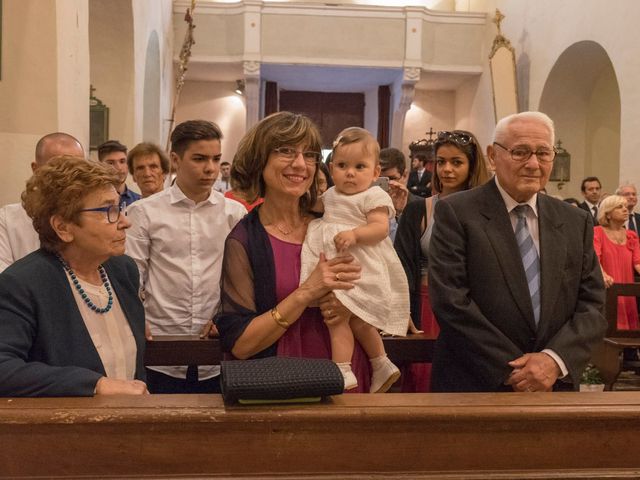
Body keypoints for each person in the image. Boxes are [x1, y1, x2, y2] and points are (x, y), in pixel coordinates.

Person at [428, 111, 606, 392]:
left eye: (543, 153)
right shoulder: (456, 213)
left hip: (553, 386)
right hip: (475, 383)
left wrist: (552, 361)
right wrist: (518, 371)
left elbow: (592, 304)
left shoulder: (575, 221)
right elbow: (451, 302)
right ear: (492, 155)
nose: (533, 164)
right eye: (520, 152)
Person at [215, 112, 371, 392]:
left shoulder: (336, 221)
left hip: (347, 371)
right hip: (284, 382)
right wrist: (305, 293)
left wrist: (365, 303)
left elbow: (372, 283)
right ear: (259, 159)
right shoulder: (244, 240)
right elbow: (241, 344)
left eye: (309, 154)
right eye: (285, 151)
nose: (300, 164)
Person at [0, 156, 148, 397]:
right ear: (63, 227)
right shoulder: (23, 283)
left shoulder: (122, 269)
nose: (125, 222)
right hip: (64, 430)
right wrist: (95, 384)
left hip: (128, 424)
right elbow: (3, 368)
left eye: (119, 207)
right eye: (109, 210)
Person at [126, 120, 247, 394]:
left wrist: (227, 317)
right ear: (175, 159)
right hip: (160, 342)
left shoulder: (235, 213)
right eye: (199, 159)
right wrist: (137, 320)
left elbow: (241, 281)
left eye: (216, 159)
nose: (210, 168)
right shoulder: (144, 212)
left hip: (218, 343)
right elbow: (132, 277)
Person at [300, 127, 409, 392]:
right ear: (331, 168)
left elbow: (380, 228)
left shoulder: (373, 196)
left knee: (336, 317)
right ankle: (381, 362)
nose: (350, 172)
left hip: (359, 265)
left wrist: (355, 234)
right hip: (339, 264)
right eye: (342, 165)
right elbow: (309, 206)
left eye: (360, 166)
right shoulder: (331, 196)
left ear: (375, 173)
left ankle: (342, 369)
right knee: (358, 319)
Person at [394, 130, 491, 392]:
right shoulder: (419, 209)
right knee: (422, 379)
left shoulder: (488, 213)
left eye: (456, 162)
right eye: (441, 162)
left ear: (472, 166)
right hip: (427, 304)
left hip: (472, 307)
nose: (447, 169)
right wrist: (402, 311)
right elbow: (401, 264)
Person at [0, 132, 84, 272]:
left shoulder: (92, 216)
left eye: (77, 169)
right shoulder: (7, 219)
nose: (68, 178)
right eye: (58, 168)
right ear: (36, 169)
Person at [593, 195, 640, 329]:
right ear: (607, 214)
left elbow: (638, 263)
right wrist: (603, 274)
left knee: (630, 334)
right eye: (620, 207)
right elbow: (594, 258)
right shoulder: (597, 232)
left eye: (625, 207)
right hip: (608, 287)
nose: (625, 210)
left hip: (627, 288)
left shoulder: (631, 235)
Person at [379, 147, 421, 243]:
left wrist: (400, 213)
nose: (387, 186)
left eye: (391, 178)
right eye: (380, 180)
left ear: (405, 175)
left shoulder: (420, 206)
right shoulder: (367, 204)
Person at [97, 140, 141, 206]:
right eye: (111, 163)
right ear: (100, 165)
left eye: (122, 161)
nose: (119, 168)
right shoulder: (93, 200)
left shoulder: (138, 201)